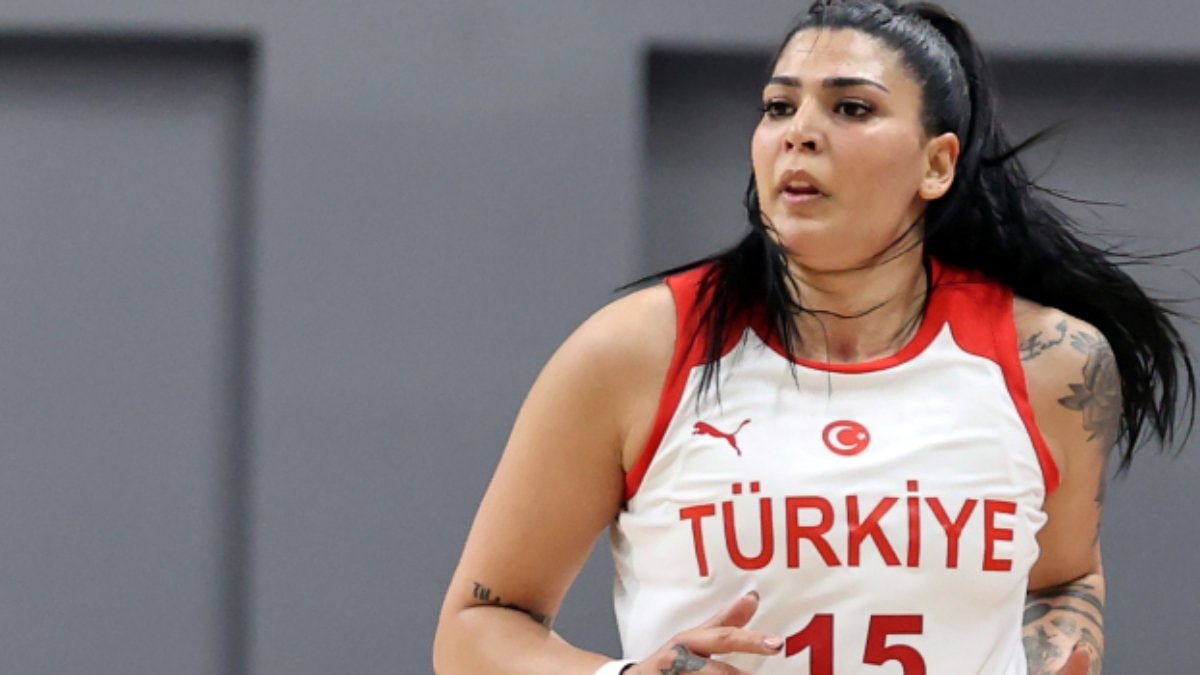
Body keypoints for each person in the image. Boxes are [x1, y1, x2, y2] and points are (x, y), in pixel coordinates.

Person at [433, 1, 1194, 673]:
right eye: (778, 107)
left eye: (851, 108)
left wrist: (1059, 654)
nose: (799, 134)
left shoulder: (1052, 361)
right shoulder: (634, 352)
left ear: (937, 164)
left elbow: (1063, 578)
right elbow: (476, 626)